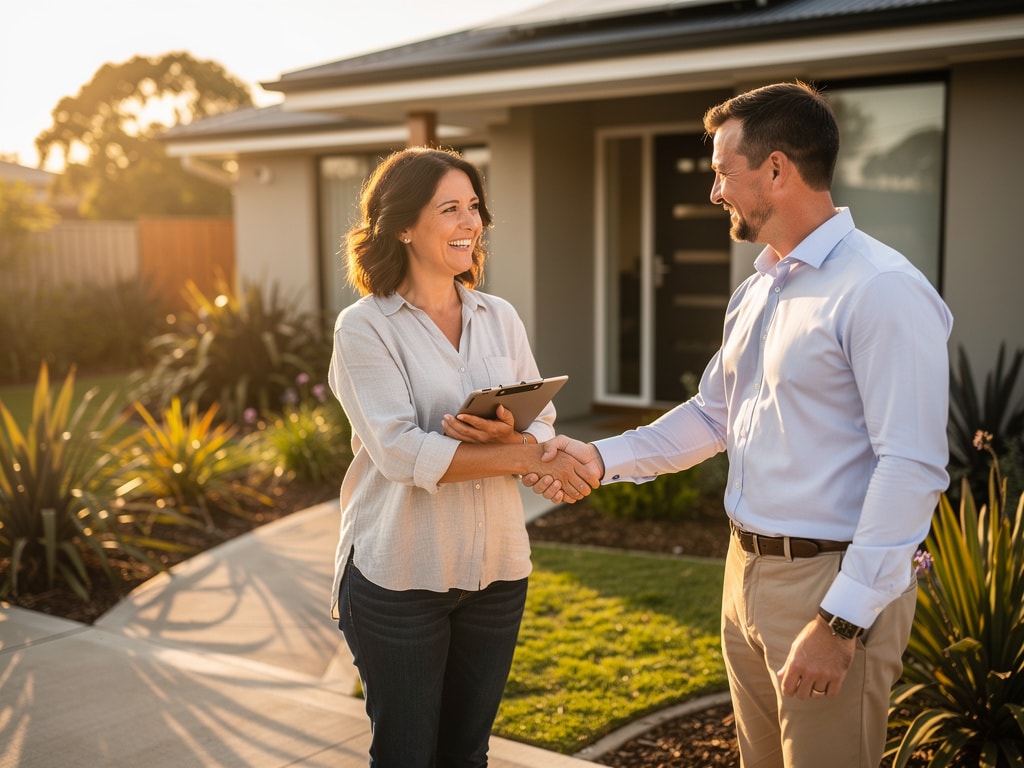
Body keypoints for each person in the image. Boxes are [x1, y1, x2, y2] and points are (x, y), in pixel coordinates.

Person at [529, 82, 953, 767]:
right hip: (744, 575)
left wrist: (841, 620)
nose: (715, 192)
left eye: (725, 173)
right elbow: (712, 415)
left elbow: (912, 466)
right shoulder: (759, 288)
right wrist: (599, 460)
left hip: (828, 585)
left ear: (778, 169)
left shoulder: (880, 289)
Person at [327, 146, 599, 767]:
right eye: (450, 208)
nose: (470, 223)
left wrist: (514, 440)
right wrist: (524, 455)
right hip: (399, 578)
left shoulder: (498, 316)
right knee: (406, 756)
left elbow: (543, 417)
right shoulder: (365, 327)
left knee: (466, 757)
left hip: (497, 573)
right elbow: (399, 452)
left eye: (473, 207)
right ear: (401, 225)